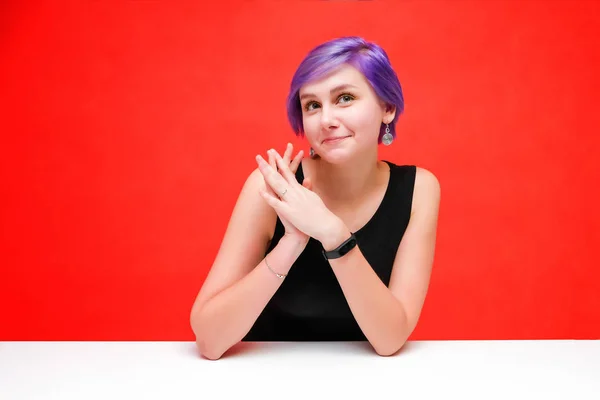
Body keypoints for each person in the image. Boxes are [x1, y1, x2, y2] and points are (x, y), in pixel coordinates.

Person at [190, 36, 441, 360]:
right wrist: (290, 244)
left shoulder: (419, 188)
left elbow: (390, 338)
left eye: (345, 98)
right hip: (266, 377)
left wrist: (334, 235)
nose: (326, 120)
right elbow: (209, 341)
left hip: (371, 382)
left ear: (387, 108)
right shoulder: (271, 186)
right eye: (312, 105)